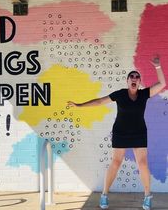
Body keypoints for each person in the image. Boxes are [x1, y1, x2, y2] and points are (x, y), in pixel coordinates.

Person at [67, 57, 166, 210]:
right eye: (131, 77)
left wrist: (158, 66)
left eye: (136, 77)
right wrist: (79, 106)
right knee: (116, 163)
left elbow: (162, 84)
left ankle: (147, 196)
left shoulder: (144, 94)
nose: (134, 79)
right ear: (127, 81)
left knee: (143, 163)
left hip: (139, 133)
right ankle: (104, 195)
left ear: (139, 82)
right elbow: (99, 101)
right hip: (121, 132)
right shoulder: (120, 94)